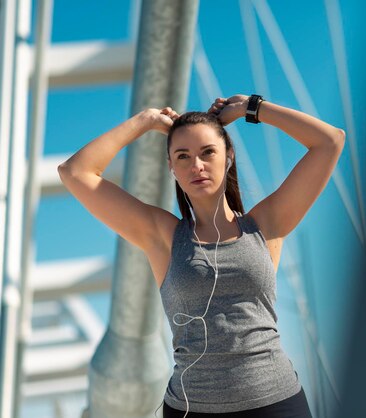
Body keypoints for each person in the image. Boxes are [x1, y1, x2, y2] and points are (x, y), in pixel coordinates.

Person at [58, 94, 344, 418]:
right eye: (182, 156)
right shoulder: (163, 236)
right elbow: (75, 172)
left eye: (208, 152)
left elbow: (330, 141)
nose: (196, 165)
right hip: (191, 410)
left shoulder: (266, 223)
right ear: (171, 167)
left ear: (229, 155)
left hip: (276, 404)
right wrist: (146, 121)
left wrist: (252, 107)